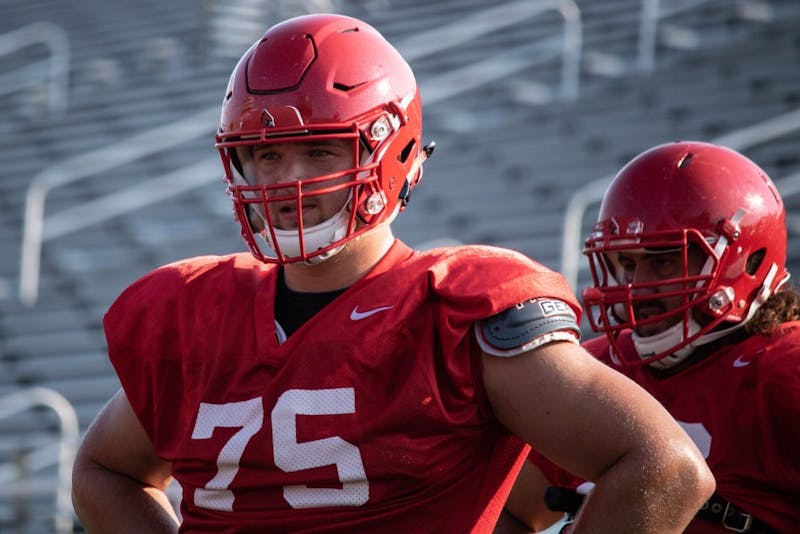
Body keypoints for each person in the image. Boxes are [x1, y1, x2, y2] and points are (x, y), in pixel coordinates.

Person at [70, 15, 714, 533]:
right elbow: (103, 471)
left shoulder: (453, 309)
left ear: (395, 154)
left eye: (318, 150)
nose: (286, 181)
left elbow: (666, 469)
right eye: (264, 156)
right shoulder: (196, 313)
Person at [504, 141, 800, 533]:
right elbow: (512, 509)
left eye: (663, 262)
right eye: (627, 263)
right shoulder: (600, 366)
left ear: (746, 261)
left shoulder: (783, 371)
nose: (637, 287)